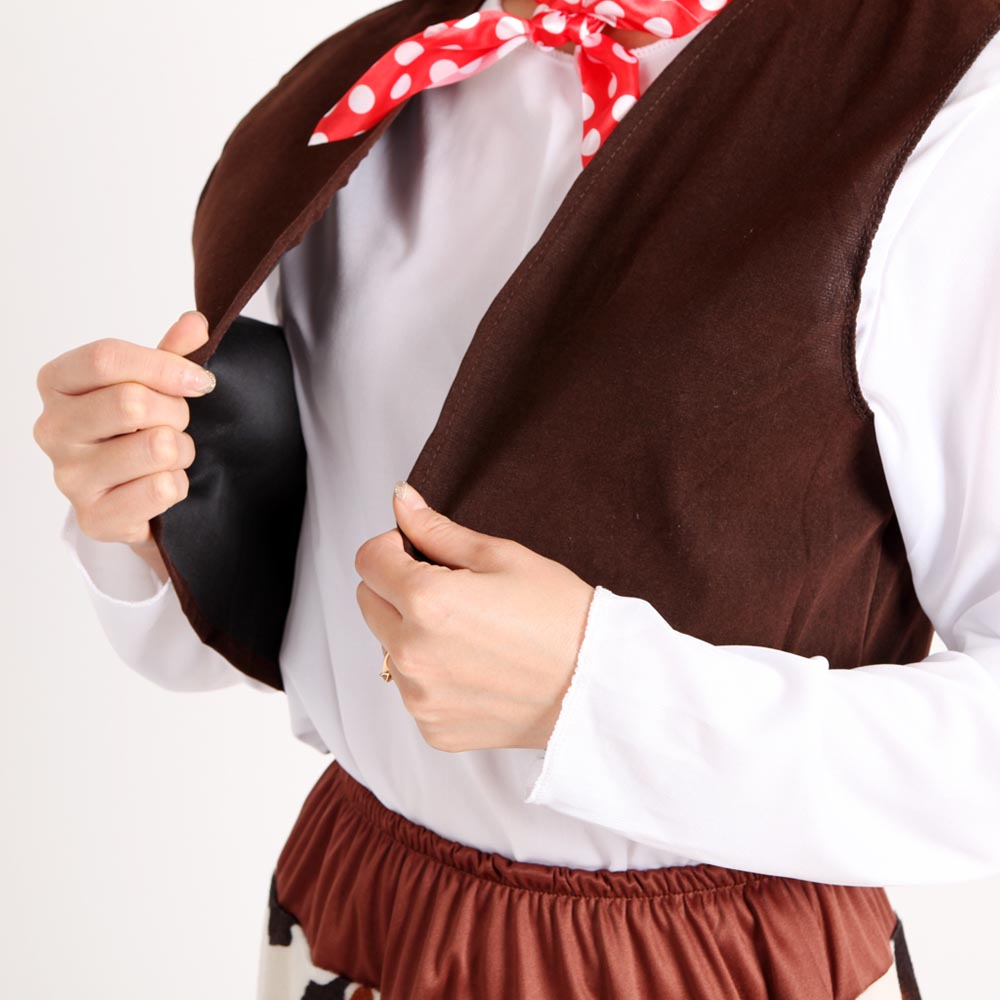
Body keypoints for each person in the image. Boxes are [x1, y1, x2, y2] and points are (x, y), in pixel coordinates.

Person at [33, 0, 1000, 997]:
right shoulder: (385, 82)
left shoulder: (950, 110)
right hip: (359, 905)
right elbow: (301, 605)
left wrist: (605, 697)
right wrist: (144, 514)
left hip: (698, 961)